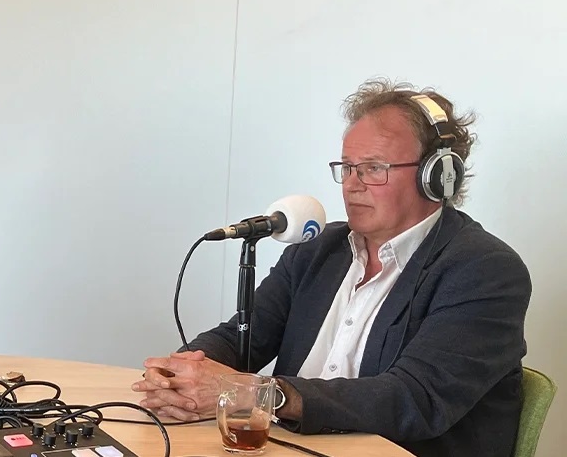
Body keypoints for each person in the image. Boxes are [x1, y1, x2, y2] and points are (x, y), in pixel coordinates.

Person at [131, 78, 530, 456]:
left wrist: (263, 395)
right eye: (347, 167)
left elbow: (413, 398)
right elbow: (243, 337)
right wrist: (180, 373)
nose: (352, 184)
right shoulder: (318, 249)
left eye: (374, 168)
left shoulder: (485, 271)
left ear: (438, 176)